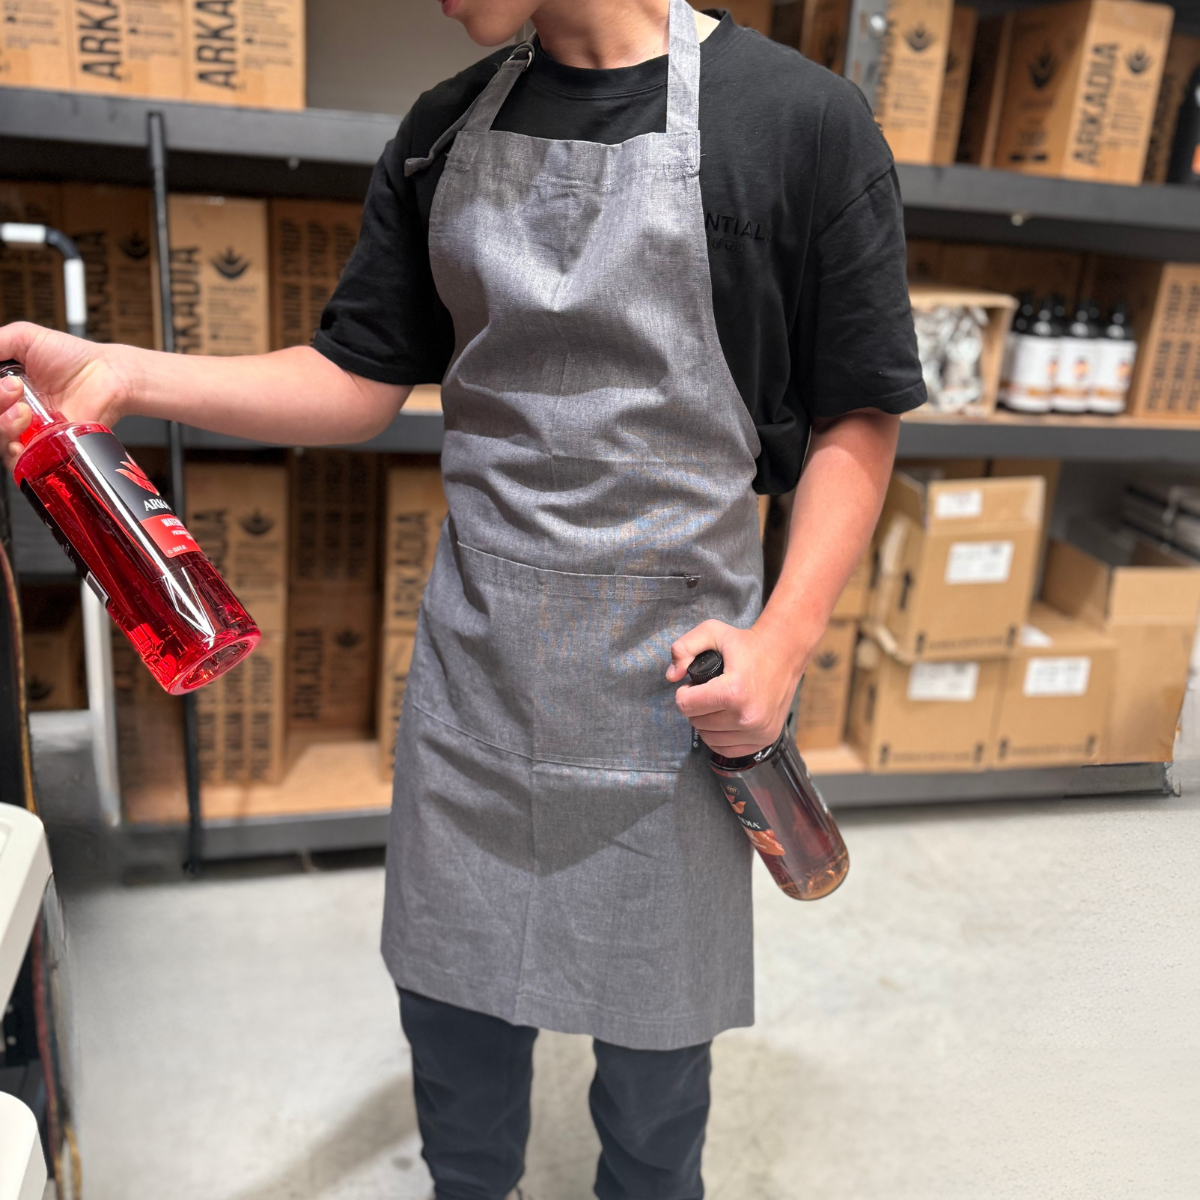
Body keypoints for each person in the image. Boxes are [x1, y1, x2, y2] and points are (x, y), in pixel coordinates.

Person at [1, 1, 924, 1195]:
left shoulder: (798, 122)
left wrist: (784, 641)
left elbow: (859, 410)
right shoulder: (443, 131)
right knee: (452, 1026)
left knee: (655, 1073)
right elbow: (355, 377)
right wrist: (123, 372)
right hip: (477, 674)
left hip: (672, 696)